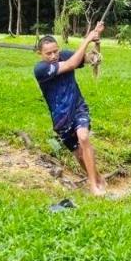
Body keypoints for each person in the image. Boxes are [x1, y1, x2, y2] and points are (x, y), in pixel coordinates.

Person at [35, 22, 106, 195]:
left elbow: (86, 58)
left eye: (55, 51)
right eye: (48, 53)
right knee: (79, 155)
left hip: (77, 107)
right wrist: (87, 39)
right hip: (61, 119)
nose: (53, 55)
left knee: (84, 137)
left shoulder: (64, 55)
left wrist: (96, 45)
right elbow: (71, 65)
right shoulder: (41, 69)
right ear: (40, 54)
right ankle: (98, 179)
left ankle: (93, 186)